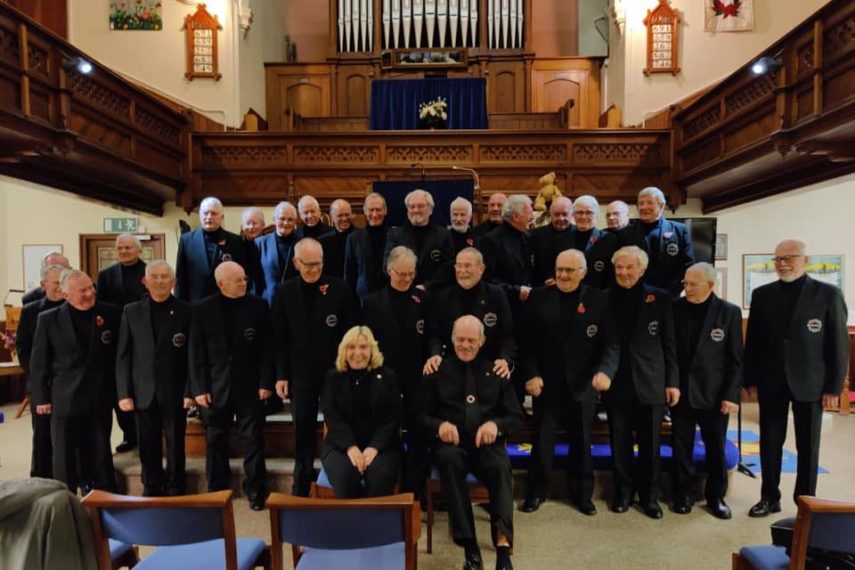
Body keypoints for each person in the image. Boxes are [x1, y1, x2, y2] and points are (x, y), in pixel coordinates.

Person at [744, 239, 848, 517]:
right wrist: (750, 378)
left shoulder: (828, 294)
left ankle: (805, 503)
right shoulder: (763, 295)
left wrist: (834, 386)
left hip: (811, 384)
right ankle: (769, 497)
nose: (782, 263)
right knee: (769, 443)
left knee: (808, 447)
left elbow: (838, 344)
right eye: (777, 259)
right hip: (771, 382)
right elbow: (753, 340)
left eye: (789, 258)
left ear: (806, 260)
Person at [520, 249, 619, 515]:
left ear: (583, 273)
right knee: (542, 442)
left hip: (583, 384)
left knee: (582, 442)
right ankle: (536, 493)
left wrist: (606, 372)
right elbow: (526, 343)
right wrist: (530, 374)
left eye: (569, 270)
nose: (563, 275)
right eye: (559, 269)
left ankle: (582, 496)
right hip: (546, 384)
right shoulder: (538, 298)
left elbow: (611, 343)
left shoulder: (600, 300)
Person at [421, 315, 522, 570]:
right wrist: (439, 427)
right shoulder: (437, 370)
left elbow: (515, 417)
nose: (465, 345)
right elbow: (419, 416)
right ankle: (470, 548)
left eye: (471, 340)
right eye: (460, 339)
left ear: (482, 341)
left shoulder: (497, 371)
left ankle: (502, 549)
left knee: (500, 465)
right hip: (451, 444)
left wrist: (495, 426)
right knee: (449, 460)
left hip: (485, 443)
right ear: (452, 340)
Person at [273, 238, 358, 496]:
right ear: (297, 263)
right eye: (308, 264)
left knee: (340, 422)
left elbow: (353, 333)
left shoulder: (340, 289)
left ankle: (340, 478)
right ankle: (301, 483)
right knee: (303, 425)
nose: (313, 269)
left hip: (336, 372)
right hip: (300, 373)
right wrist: (281, 376)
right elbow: (279, 338)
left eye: (318, 264)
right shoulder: (284, 292)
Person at [189, 261, 273, 510]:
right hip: (215, 386)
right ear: (221, 283)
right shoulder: (202, 309)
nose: (243, 283)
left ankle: (256, 490)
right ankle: (217, 489)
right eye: (237, 280)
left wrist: (266, 382)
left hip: (250, 385)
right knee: (215, 439)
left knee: (253, 439)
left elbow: (268, 349)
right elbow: (196, 353)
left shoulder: (258, 306)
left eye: (244, 279)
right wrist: (199, 389)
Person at [30, 269, 120, 493]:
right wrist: (41, 397)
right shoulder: (48, 320)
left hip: (99, 395)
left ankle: (103, 498)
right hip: (65, 397)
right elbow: (39, 363)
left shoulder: (111, 313)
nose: (90, 293)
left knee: (100, 451)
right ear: (66, 294)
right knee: (64, 454)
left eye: (91, 287)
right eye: (83, 290)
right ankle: (66, 499)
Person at [606, 246, 679, 519]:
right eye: (619, 268)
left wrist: (673, 382)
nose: (623, 273)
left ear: (642, 269)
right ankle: (623, 493)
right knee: (619, 444)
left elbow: (669, 344)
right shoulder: (604, 298)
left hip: (651, 384)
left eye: (629, 267)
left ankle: (650, 497)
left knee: (650, 447)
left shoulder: (659, 298)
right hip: (617, 383)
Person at [671, 262, 742, 519]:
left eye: (693, 284)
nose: (687, 288)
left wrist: (731, 395)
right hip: (680, 392)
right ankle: (684, 493)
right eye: (685, 283)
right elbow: (669, 352)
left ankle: (716, 496)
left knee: (715, 446)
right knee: (682, 445)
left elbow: (736, 360)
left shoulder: (729, 313)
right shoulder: (674, 309)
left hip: (715, 394)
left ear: (711, 286)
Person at [116, 260, 192, 496]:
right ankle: (151, 483)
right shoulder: (131, 311)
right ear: (145, 282)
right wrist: (124, 393)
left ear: (174, 282)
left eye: (164, 277)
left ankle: (176, 483)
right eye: (155, 277)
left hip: (175, 389)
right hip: (143, 390)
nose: (160, 281)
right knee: (147, 442)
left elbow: (192, 356)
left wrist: (190, 390)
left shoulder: (187, 311)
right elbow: (123, 356)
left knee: (175, 440)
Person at [363, 246, 431, 499]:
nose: (406, 279)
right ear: (389, 270)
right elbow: (367, 345)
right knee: (387, 435)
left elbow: (431, 337)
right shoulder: (371, 302)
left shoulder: (423, 300)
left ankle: (416, 493)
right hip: (384, 380)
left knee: (417, 437)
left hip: (417, 379)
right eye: (401, 273)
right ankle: (388, 490)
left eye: (411, 274)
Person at [321, 326, 402, 498]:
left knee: (380, 477)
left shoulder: (388, 376)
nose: (358, 353)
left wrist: (374, 447)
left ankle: (375, 524)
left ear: (372, 349)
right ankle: (351, 524)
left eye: (363, 347)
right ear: (344, 350)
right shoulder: (332, 378)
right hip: (340, 446)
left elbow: (393, 418)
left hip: (382, 447)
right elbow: (332, 417)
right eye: (351, 347)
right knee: (345, 477)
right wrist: (351, 447)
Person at [425, 247, 514, 381]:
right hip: (452, 371)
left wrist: (504, 359)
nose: (462, 271)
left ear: (481, 269)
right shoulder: (443, 297)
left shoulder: (496, 295)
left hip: (488, 370)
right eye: (458, 266)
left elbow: (507, 335)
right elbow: (435, 335)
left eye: (467, 266)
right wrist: (435, 354)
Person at [96, 232, 147, 453]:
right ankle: (129, 434)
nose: (124, 251)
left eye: (128, 247)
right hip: (117, 338)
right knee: (121, 390)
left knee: (142, 388)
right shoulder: (106, 275)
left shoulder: (150, 271)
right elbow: (102, 306)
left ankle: (144, 433)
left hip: (144, 337)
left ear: (139, 249)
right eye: (120, 248)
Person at [15, 264, 66, 479]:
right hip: (41, 382)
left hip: (68, 382)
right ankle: (41, 477)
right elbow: (23, 349)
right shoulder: (30, 311)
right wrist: (38, 376)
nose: (60, 288)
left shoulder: (75, 306)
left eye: (63, 283)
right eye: (56, 283)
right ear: (44, 285)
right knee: (43, 433)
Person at [619, 187, 694, 298]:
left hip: (669, 298)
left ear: (661, 205)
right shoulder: (626, 234)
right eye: (641, 203)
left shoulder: (680, 231)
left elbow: (687, 266)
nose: (644, 207)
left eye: (649, 202)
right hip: (635, 296)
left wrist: (669, 292)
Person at [175, 196, 247, 302]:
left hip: (227, 304)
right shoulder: (186, 240)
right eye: (205, 213)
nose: (209, 217)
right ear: (200, 215)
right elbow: (180, 277)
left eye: (214, 213)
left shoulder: (236, 241)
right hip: (196, 306)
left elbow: (241, 277)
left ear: (222, 217)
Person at [383, 189, 454, 291]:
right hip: (403, 293)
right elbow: (387, 266)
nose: (416, 210)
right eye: (412, 207)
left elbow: (448, 267)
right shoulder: (395, 235)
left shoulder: (444, 235)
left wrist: (427, 286)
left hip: (434, 294)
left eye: (420, 206)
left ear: (430, 209)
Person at [344, 192, 389, 301]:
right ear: (365, 211)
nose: (374, 214)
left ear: (385, 211)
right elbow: (349, 273)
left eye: (378, 210)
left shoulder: (396, 235)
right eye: (371, 210)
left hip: (390, 297)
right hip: (363, 299)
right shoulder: (353, 238)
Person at [568, 195, 619, 290]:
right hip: (569, 294)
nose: (583, 216)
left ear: (596, 215)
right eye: (579, 212)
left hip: (599, 295)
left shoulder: (610, 240)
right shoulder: (562, 239)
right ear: (573, 215)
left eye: (589, 213)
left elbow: (613, 274)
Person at [256, 201, 299, 305]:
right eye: (282, 218)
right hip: (267, 304)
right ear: (274, 220)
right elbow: (254, 279)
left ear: (295, 222)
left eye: (290, 219)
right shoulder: (260, 243)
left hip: (295, 304)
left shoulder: (302, 244)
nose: (285, 223)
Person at [529, 196, 573, 287]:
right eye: (556, 214)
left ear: (572, 215)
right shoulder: (535, 235)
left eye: (565, 214)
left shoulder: (579, 235)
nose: (561, 218)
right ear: (550, 214)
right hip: (541, 288)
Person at [318, 198, 355, 278]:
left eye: (347, 214)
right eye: (340, 215)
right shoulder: (323, 241)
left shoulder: (360, 237)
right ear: (332, 217)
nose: (344, 218)